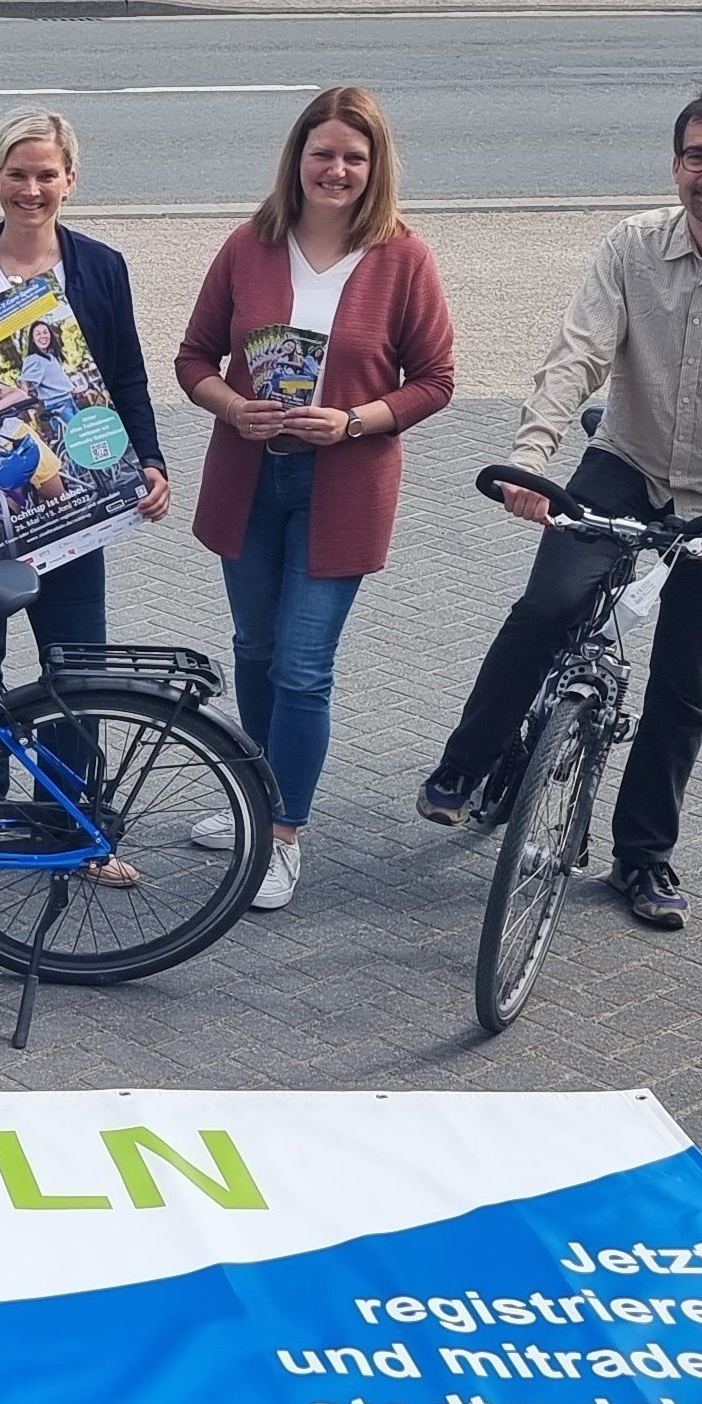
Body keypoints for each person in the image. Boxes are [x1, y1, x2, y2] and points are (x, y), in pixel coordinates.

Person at [414, 84, 702, 931]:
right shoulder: (632, 245)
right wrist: (531, 463)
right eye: (697, 156)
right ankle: (468, 764)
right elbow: (574, 358)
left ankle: (643, 857)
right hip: (626, 461)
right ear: (676, 164)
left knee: (685, 678)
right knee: (548, 603)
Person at [175, 85, 454, 911]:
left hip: (343, 482)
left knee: (302, 666)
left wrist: (356, 420)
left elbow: (436, 380)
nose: (336, 170)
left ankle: (284, 832)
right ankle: (253, 798)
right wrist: (234, 406)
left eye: (354, 158)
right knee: (254, 649)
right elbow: (194, 359)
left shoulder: (404, 258)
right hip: (252, 476)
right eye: (323, 153)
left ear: (376, 169)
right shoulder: (250, 245)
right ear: (297, 158)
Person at [0, 108, 171, 885]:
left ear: (70, 181)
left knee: (74, 664)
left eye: (47, 174)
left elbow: (128, 377)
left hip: (73, 498)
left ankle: (74, 821)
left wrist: (148, 460)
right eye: (18, 174)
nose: (32, 188)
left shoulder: (100, 266)